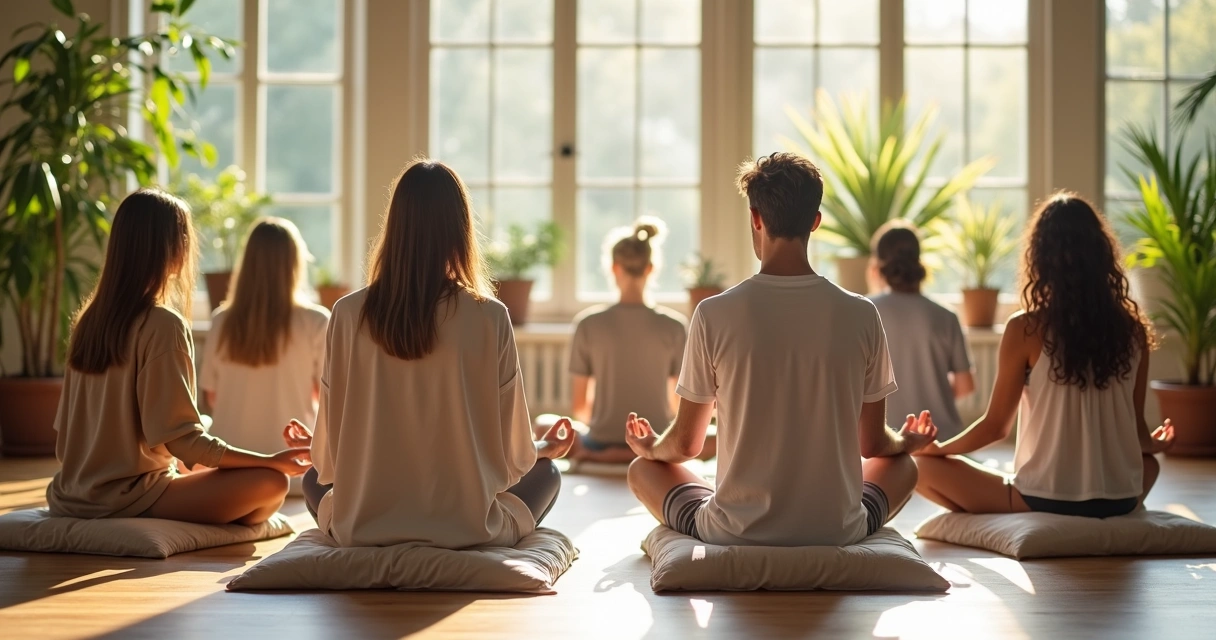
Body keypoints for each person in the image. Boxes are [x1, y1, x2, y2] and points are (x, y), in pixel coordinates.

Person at [624, 152, 937, 547]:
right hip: (837, 529)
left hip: (735, 531)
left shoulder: (713, 313)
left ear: (756, 218)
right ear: (815, 222)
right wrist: (907, 441)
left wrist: (651, 446)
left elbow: (687, 446)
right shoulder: (862, 314)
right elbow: (872, 445)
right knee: (903, 467)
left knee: (642, 470)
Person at [298, 159, 575, 549]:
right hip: (468, 530)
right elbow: (514, 459)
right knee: (548, 474)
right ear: (459, 231)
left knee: (311, 479)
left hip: (361, 528)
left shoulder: (345, 312)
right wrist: (541, 449)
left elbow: (327, 460)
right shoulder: (490, 316)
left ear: (393, 227)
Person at [46, 189, 310, 525]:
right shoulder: (162, 323)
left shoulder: (89, 319)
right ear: (174, 249)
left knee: (216, 467)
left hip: (70, 492)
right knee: (271, 483)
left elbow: (66, 432)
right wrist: (271, 460)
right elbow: (183, 442)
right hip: (130, 498)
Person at [913, 193, 1174, 517]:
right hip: (1121, 499)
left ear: (1039, 258)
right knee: (1149, 465)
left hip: (1042, 499)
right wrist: (1157, 444)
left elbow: (996, 428)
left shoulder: (1026, 328)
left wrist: (939, 450)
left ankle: (1004, 514)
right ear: (1102, 255)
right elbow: (1137, 434)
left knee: (918, 467)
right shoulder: (1133, 331)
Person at [200, 217, 330, 494]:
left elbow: (212, 396)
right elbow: (326, 398)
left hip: (230, 474)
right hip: (295, 474)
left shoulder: (221, 320)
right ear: (296, 264)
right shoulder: (317, 321)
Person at [565, 218, 690, 463]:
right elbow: (679, 409)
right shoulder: (675, 326)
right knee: (711, 435)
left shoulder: (587, 323)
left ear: (614, 268)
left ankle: (604, 455)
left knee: (543, 426)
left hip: (600, 440)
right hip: (656, 440)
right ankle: (636, 454)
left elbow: (579, 407)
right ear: (651, 268)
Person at [869, 221, 975, 441]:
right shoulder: (946, 316)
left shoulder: (866, 312)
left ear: (877, 267)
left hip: (885, 440)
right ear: (919, 263)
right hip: (941, 440)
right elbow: (966, 385)